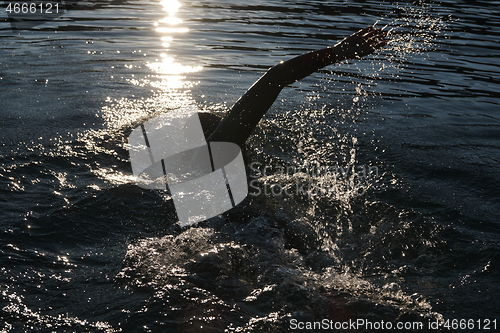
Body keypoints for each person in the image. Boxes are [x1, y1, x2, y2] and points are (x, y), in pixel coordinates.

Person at [200, 26, 388, 146]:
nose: (222, 120)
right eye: (219, 124)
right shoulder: (216, 153)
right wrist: (336, 52)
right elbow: (275, 78)